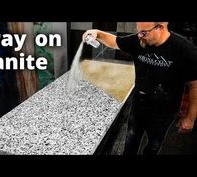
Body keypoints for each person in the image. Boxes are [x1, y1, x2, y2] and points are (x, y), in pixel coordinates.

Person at [82, 22, 197, 155]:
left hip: (164, 110)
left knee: (154, 144)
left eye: (144, 32)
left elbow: (194, 84)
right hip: (139, 104)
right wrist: (98, 33)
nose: (139, 36)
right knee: (131, 138)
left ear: (160, 27)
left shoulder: (184, 49)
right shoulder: (139, 40)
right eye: (138, 31)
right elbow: (115, 42)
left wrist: (190, 117)